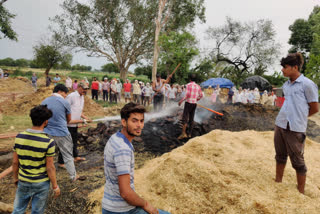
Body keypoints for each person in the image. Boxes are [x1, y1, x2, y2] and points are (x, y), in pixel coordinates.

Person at [102, 102, 170, 214]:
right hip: (121, 210)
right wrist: (146, 204)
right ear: (124, 122)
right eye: (134, 121)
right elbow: (125, 193)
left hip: (110, 205)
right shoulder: (123, 149)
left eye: (141, 121)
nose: (139, 125)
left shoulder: (116, 138)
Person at [274, 53, 319, 194]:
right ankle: (278, 181)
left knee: (298, 161)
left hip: (295, 128)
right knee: (280, 155)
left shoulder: (307, 85)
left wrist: (300, 118)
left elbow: (315, 108)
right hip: (281, 123)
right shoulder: (286, 85)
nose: (282, 70)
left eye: (285, 67)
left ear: (295, 67)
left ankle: (301, 192)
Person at [11, 105, 60, 214]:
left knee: (18, 210)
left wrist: (15, 178)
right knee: (37, 211)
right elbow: (50, 167)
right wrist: (55, 186)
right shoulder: (48, 142)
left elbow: (15, 162)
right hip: (41, 184)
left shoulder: (19, 137)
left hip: (23, 181)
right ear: (46, 122)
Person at [41, 84, 79, 181]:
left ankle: (44, 175)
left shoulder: (44, 101)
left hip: (46, 132)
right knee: (67, 155)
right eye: (65, 93)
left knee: (46, 155)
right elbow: (69, 119)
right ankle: (73, 176)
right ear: (60, 91)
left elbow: (41, 117)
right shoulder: (64, 102)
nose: (66, 96)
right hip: (62, 132)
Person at [58, 82, 92, 168]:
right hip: (68, 124)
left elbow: (78, 111)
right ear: (79, 87)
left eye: (86, 89)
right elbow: (64, 108)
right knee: (66, 143)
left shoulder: (82, 97)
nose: (85, 90)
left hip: (75, 124)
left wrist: (85, 117)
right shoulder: (72, 96)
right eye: (84, 89)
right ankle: (61, 162)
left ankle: (75, 157)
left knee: (74, 141)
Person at [178, 74, 203, 139]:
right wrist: (196, 99)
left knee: (185, 118)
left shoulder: (188, 85)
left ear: (190, 79)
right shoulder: (198, 86)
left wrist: (181, 101)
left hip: (188, 103)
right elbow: (201, 95)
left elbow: (187, 94)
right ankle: (189, 134)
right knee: (191, 119)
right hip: (194, 104)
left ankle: (183, 134)